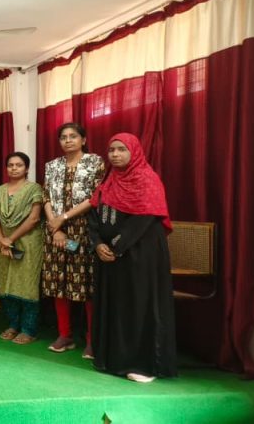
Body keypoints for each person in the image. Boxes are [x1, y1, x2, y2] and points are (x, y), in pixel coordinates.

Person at [89, 133, 177, 383]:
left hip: (140, 255)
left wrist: (115, 246)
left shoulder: (147, 179)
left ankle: (143, 365)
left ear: (134, 152)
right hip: (110, 257)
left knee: (139, 305)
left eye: (121, 149)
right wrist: (98, 244)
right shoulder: (109, 180)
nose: (115, 154)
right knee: (116, 305)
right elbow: (94, 215)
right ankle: (113, 359)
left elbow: (144, 218)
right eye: (111, 150)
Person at [40, 122, 105, 357]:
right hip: (56, 233)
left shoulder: (95, 162)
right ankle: (64, 335)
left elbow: (95, 197)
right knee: (58, 283)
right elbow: (46, 196)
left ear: (83, 140)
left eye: (73, 136)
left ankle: (91, 340)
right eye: (63, 137)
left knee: (86, 285)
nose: (68, 140)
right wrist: (55, 226)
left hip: (83, 231)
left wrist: (64, 218)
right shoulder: (52, 165)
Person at [0, 152, 46, 345]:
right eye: (10, 165)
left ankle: (28, 329)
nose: (14, 168)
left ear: (27, 168)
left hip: (28, 241)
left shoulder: (34, 189)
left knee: (27, 285)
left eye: (19, 165)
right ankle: (13, 325)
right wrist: (1, 239)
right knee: (5, 283)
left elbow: (34, 218)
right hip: (4, 243)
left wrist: (11, 239)